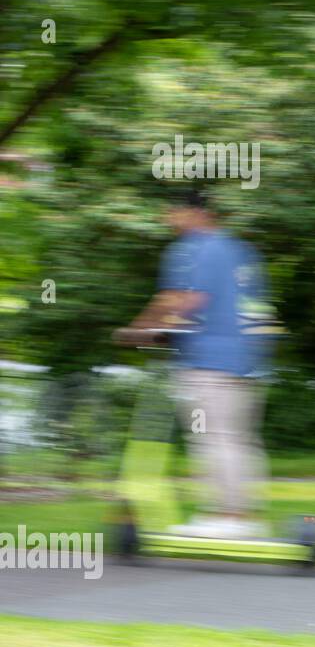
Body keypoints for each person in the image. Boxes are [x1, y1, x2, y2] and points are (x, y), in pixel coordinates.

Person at [115, 186, 269, 539]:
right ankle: (245, 516)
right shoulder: (240, 250)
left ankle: (227, 517)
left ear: (192, 212)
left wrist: (138, 331)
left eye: (170, 211)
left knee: (212, 437)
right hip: (248, 360)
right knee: (240, 439)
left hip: (208, 360)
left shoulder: (189, 249)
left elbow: (185, 299)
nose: (166, 219)